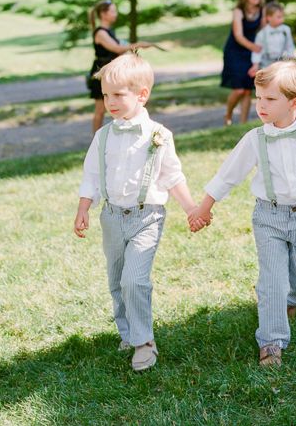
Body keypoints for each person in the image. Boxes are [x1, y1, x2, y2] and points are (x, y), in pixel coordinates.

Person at [189, 59, 296, 367]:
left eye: (270, 99)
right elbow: (227, 175)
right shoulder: (254, 139)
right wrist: (202, 209)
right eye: (259, 98)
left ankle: (288, 302)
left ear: (295, 103)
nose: (261, 105)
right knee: (273, 278)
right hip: (268, 218)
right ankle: (271, 342)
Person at [74, 52, 202, 372]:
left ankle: (144, 341)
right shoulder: (102, 136)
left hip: (147, 217)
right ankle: (127, 331)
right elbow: (91, 174)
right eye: (105, 95)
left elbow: (172, 176)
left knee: (135, 280)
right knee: (117, 280)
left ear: (142, 95)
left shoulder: (158, 135)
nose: (110, 102)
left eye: (118, 95)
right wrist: (84, 209)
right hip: (112, 217)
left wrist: (191, 209)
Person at [88, 0, 152, 133]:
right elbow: (116, 48)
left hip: (111, 72)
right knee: (100, 110)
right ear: (104, 14)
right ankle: (96, 140)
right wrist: (138, 44)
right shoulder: (101, 32)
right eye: (113, 11)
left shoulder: (109, 31)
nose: (115, 14)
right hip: (102, 73)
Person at [221, 0, 266, 125]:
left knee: (247, 89)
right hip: (235, 52)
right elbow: (238, 36)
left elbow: (264, 32)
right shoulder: (238, 11)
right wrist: (254, 47)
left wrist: (258, 54)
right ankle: (228, 115)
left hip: (252, 53)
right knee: (239, 89)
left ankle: (243, 123)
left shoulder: (263, 10)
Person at [248, 1, 295, 77]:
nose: (282, 19)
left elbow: (289, 46)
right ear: (269, 18)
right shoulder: (262, 34)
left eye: (283, 16)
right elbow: (257, 51)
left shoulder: (286, 30)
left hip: (283, 65)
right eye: (279, 17)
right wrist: (255, 65)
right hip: (266, 66)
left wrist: (290, 59)